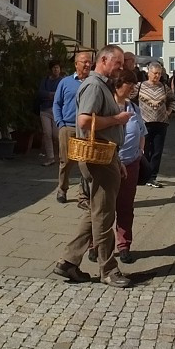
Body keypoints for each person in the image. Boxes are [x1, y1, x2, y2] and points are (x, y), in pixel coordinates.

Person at [54, 45, 134, 288]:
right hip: (97, 157)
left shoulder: (100, 85)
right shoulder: (94, 85)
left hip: (105, 155)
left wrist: (117, 160)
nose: (120, 67)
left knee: (94, 212)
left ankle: (69, 261)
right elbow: (84, 120)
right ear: (104, 60)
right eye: (118, 63)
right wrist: (117, 120)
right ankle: (108, 269)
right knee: (104, 215)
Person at [113, 69, 147, 264]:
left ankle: (124, 245)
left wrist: (140, 152)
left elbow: (142, 131)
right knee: (105, 207)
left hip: (131, 162)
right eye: (129, 85)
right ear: (118, 85)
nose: (133, 89)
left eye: (134, 85)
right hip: (110, 163)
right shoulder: (108, 106)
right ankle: (97, 245)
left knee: (126, 206)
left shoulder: (133, 107)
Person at [52, 51, 92, 205]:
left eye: (89, 62)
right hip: (68, 127)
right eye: (84, 62)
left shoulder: (93, 82)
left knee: (85, 163)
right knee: (66, 162)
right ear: (76, 64)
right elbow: (57, 103)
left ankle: (84, 195)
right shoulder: (65, 82)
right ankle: (62, 189)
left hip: (87, 129)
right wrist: (60, 124)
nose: (87, 64)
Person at [132, 62, 175, 188]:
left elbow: (172, 99)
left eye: (159, 74)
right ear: (148, 73)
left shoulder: (164, 87)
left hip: (161, 122)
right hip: (145, 122)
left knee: (157, 151)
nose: (157, 76)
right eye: (155, 73)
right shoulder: (139, 86)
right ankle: (143, 175)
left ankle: (152, 177)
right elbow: (128, 98)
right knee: (145, 150)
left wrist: (168, 111)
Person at [37, 60, 63, 167]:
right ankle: (50, 157)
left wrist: (50, 95)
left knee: (56, 135)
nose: (56, 70)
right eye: (54, 68)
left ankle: (61, 155)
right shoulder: (45, 80)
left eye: (57, 68)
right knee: (47, 133)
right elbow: (40, 93)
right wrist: (50, 94)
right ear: (51, 69)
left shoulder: (62, 81)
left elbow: (61, 94)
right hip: (45, 109)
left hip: (57, 110)